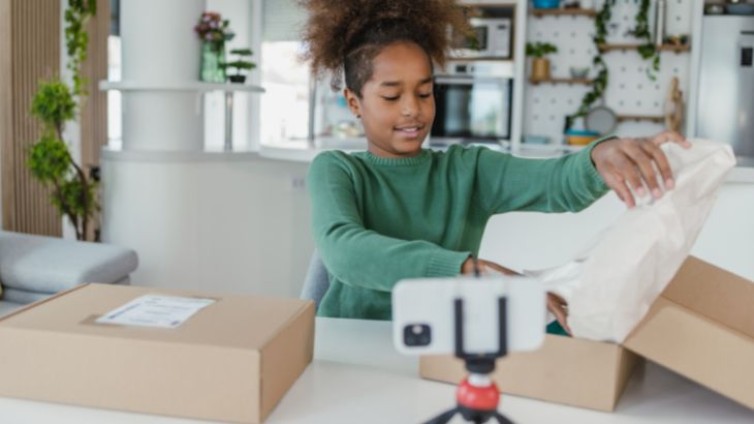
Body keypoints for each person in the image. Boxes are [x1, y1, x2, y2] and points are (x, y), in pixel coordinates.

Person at [301, 0, 690, 332]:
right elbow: (345, 252)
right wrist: (466, 270)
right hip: (348, 344)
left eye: (424, 92)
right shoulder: (337, 170)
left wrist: (599, 158)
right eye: (391, 95)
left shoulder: (467, 170)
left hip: (441, 343)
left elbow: (554, 182)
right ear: (354, 103)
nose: (412, 109)